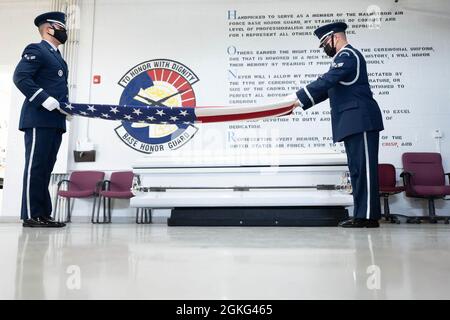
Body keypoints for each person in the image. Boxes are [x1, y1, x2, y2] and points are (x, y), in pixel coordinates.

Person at [288, 22, 384, 228]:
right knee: (357, 170)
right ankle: (362, 215)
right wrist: (296, 104)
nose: (324, 48)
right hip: (352, 121)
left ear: (335, 37)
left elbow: (328, 80)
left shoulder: (349, 56)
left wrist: (296, 97)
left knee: (364, 170)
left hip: (361, 120)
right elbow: (327, 90)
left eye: (324, 43)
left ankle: (368, 217)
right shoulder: (342, 59)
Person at [13, 11, 71, 228]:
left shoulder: (59, 58)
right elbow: (20, 77)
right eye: (62, 27)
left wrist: (66, 110)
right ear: (49, 28)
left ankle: (43, 214)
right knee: (36, 167)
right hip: (38, 117)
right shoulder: (36, 49)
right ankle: (31, 214)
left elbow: (58, 89)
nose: (65, 31)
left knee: (46, 169)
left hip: (55, 121)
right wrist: (43, 99)